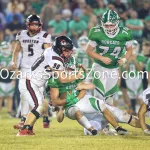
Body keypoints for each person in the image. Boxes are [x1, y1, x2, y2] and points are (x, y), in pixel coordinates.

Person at [16, 35, 84, 136]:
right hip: (30, 82)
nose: (68, 52)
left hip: (34, 82)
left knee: (42, 106)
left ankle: (28, 128)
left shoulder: (51, 51)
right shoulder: (56, 58)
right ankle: (24, 130)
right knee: (39, 105)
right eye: (66, 50)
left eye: (69, 50)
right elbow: (62, 79)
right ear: (59, 49)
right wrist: (77, 76)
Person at [49, 56, 129, 135]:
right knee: (79, 115)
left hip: (81, 101)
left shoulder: (77, 75)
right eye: (69, 69)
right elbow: (59, 116)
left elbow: (88, 87)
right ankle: (94, 128)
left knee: (102, 105)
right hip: (70, 105)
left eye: (72, 69)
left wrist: (77, 98)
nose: (71, 71)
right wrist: (63, 104)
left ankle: (117, 127)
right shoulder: (56, 81)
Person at [12, 15, 51, 130]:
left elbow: (48, 52)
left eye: (36, 24)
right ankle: (24, 120)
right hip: (25, 68)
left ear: (40, 25)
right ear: (28, 25)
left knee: (39, 95)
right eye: (32, 24)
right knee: (24, 94)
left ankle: (44, 117)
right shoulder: (21, 34)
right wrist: (14, 62)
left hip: (38, 69)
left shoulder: (44, 36)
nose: (34, 27)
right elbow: (17, 49)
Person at [86, 9, 133, 105]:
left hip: (114, 68)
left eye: (111, 25)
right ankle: (96, 119)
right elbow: (88, 51)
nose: (109, 28)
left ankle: (105, 120)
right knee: (99, 96)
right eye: (106, 25)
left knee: (109, 99)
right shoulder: (97, 32)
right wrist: (101, 58)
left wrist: (124, 59)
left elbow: (129, 50)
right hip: (99, 66)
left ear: (117, 23)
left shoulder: (125, 33)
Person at [0, 41, 15, 117]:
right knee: (0, 97)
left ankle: (9, 112)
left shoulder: (12, 56)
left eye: (6, 48)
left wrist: (14, 79)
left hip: (10, 79)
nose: (5, 50)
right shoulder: (0, 56)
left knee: (10, 97)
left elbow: (15, 68)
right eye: (4, 48)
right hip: (1, 79)